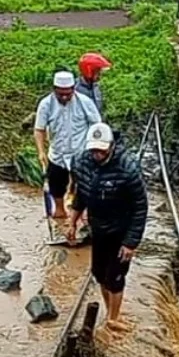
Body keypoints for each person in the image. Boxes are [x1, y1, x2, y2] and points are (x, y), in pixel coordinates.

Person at [67, 122, 148, 329]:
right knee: (99, 273)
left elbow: (140, 208)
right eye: (93, 150)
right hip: (99, 229)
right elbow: (81, 195)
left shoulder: (128, 169)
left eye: (101, 151)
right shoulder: (82, 162)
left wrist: (131, 243)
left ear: (111, 146)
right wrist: (72, 222)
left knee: (115, 276)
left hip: (121, 230)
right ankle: (109, 309)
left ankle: (114, 318)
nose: (97, 155)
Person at [34, 71, 101, 219]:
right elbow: (39, 130)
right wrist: (41, 152)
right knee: (56, 184)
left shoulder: (85, 103)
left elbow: (97, 126)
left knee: (84, 186)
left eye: (67, 94)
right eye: (60, 94)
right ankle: (60, 210)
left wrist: (95, 150)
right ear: (54, 90)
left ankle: (80, 214)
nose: (64, 97)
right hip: (58, 152)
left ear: (73, 89)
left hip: (81, 152)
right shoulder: (46, 104)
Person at [75, 53, 111, 118]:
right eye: (98, 72)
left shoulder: (95, 86)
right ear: (89, 71)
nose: (100, 75)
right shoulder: (77, 89)